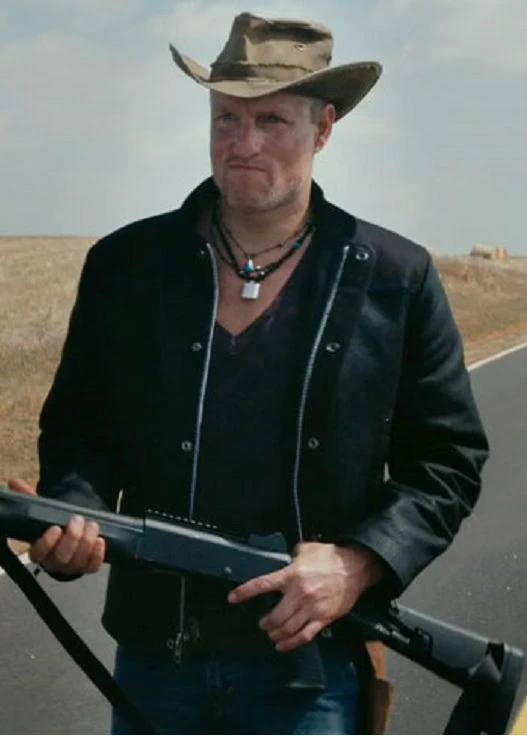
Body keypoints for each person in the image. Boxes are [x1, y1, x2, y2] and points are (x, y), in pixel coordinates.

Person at [9, 12, 489, 735]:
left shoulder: (396, 277)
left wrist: (358, 564)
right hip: (156, 664)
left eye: (271, 121)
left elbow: (447, 461)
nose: (244, 143)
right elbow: (80, 431)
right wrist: (72, 516)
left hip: (313, 669)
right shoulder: (127, 266)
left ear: (323, 128)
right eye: (226, 119)